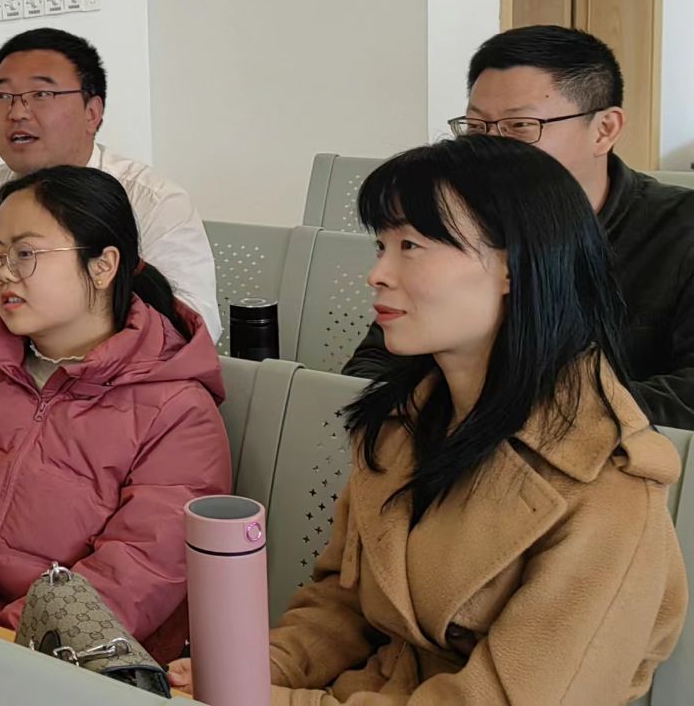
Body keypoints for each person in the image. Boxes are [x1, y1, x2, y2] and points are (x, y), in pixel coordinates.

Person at [172, 136, 687, 703]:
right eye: (381, 245)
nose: (377, 273)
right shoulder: (404, 421)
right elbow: (343, 602)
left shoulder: (607, 490)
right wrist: (248, 671)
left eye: (411, 246)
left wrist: (262, 699)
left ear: (514, 265)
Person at [0, 165, 230, 662]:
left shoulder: (177, 408)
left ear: (103, 266)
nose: (3, 274)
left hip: (76, 663)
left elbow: (133, 576)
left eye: (26, 254)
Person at [344, 25, 694, 427]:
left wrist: (510, 413)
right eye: (477, 128)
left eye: (521, 126)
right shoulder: (457, 228)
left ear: (604, 130)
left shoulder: (679, 230)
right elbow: (372, 368)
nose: (490, 149)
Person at [0, 27, 222, 343]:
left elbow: (192, 328)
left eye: (41, 94)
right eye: (2, 95)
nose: (17, 112)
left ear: (92, 112)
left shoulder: (154, 201)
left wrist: (35, 324)